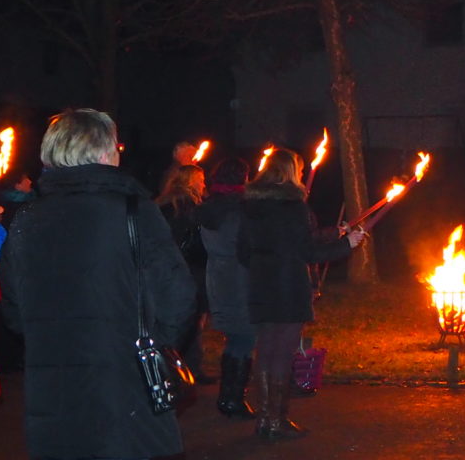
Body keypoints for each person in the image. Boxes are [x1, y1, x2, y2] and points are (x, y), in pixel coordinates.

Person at [0, 108, 194, 460]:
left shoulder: (27, 217)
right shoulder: (133, 210)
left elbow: (13, 309)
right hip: (120, 380)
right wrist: (154, 338)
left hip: (56, 377)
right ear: (104, 150)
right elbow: (178, 294)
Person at [237, 148, 367, 442]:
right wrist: (347, 245)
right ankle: (276, 420)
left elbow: (244, 252)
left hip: (261, 285)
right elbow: (306, 251)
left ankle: (264, 420)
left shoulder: (249, 206)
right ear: (289, 172)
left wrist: (336, 234)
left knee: (266, 350)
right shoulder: (293, 207)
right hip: (289, 287)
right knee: (281, 353)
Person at [198, 156, 256, 418]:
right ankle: (232, 398)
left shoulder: (210, 207)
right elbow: (245, 247)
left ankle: (229, 395)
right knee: (243, 336)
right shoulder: (239, 210)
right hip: (239, 276)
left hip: (218, 275)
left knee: (235, 336)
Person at [155, 163, 210, 384]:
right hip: (189, 271)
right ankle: (188, 370)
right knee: (192, 321)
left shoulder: (160, 205)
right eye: (201, 179)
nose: (204, 184)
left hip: (163, 271)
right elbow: (197, 243)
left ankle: (171, 367)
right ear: (190, 181)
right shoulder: (189, 207)